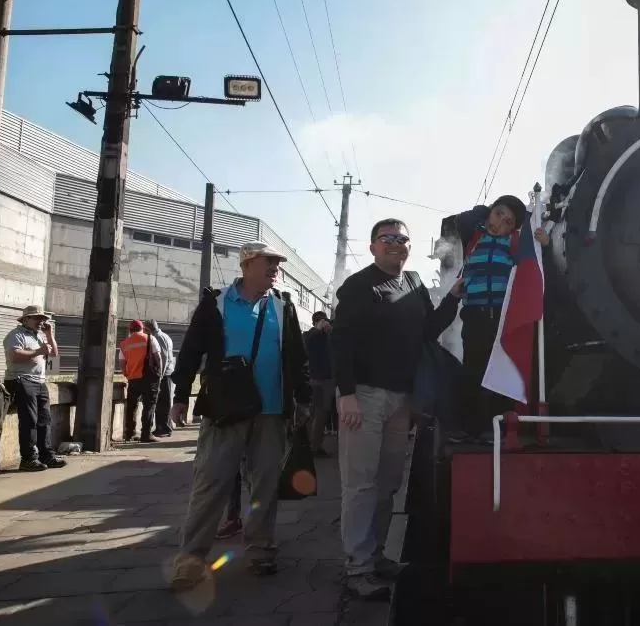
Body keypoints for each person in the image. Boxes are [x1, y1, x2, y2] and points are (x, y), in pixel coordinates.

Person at [168, 241, 312, 591]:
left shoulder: (283, 306)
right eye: (268, 262)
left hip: (271, 411)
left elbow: (297, 357)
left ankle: (260, 550)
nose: (275, 269)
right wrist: (180, 395)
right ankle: (190, 560)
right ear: (247, 265)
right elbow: (191, 350)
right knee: (211, 482)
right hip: (225, 409)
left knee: (264, 485)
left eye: (277, 263)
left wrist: (303, 398)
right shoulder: (216, 303)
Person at [332, 218, 461, 599]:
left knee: (388, 483)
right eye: (387, 238)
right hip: (365, 396)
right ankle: (357, 568)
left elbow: (428, 330)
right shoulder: (358, 286)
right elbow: (341, 341)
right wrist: (346, 394)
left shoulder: (415, 283)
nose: (395, 243)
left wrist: (454, 297)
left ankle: (375, 556)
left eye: (402, 238)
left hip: (402, 398)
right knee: (360, 484)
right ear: (373, 246)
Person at [448, 195, 549, 442]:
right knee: (472, 371)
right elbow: (463, 219)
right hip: (475, 316)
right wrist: (487, 214)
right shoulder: (473, 237)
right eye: (498, 214)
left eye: (508, 221)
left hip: (501, 318)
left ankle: (496, 428)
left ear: (514, 228)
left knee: (498, 372)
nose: (500, 222)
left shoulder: (514, 243)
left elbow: (533, 267)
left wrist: (543, 244)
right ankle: (469, 428)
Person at [2, 305, 65, 472]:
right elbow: (14, 356)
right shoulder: (16, 335)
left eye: (43, 319)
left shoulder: (39, 336)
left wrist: (49, 335)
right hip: (21, 379)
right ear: (26, 319)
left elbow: (54, 355)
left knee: (44, 420)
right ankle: (28, 459)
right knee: (29, 420)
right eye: (37, 318)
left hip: (39, 382)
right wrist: (38, 351)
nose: (41, 321)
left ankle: (47, 455)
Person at [119, 319, 163, 443]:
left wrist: (126, 374)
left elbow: (121, 362)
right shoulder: (149, 338)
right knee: (149, 406)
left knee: (132, 406)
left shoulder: (125, 343)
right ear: (142, 328)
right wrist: (159, 374)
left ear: (130, 330)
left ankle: (129, 433)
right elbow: (158, 357)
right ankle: (146, 434)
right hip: (149, 378)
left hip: (133, 378)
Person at [304, 310, 334, 457]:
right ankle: (313, 447)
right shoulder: (310, 335)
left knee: (321, 414)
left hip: (327, 380)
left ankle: (314, 445)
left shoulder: (329, 335)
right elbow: (305, 344)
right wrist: (317, 329)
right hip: (316, 380)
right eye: (321, 321)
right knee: (316, 413)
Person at [146, 319, 176, 437]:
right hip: (167, 373)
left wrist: (160, 375)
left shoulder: (158, 337)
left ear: (148, 329)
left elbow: (163, 357)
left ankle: (164, 427)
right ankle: (163, 427)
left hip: (164, 374)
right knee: (163, 402)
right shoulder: (164, 336)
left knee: (162, 402)